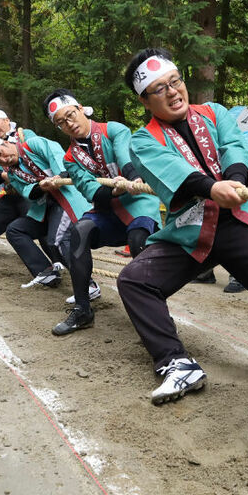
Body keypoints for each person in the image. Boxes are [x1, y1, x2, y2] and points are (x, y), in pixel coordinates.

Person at [115, 48, 248, 418]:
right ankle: (176, 362)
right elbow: (171, 171)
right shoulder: (142, 139)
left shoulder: (214, 113)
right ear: (144, 100)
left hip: (239, 219)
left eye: (175, 81)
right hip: (190, 228)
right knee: (134, 280)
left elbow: (234, 147)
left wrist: (234, 180)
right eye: (159, 88)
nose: (172, 91)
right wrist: (212, 188)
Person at [44, 89, 161, 335]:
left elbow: (124, 155)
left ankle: (155, 315)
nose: (69, 123)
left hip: (137, 199)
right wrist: (115, 192)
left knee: (138, 239)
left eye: (70, 115)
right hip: (109, 206)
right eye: (61, 122)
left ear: (81, 108)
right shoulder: (70, 158)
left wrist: (132, 178)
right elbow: (91, 192)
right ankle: (83, 308)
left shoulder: (113, 130)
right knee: (79, 231)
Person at [0, 131, 92, 297]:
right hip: (44, 205)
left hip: (66, 196)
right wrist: (41, 187)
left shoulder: (33, 144)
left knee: (56, 240)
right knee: (15, 230)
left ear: (6, 144)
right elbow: (26, 192)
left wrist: (60, 175)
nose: (4, 160)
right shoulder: (12, 173)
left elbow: (56, 153)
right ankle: (45, 271)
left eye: (1, 153)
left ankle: (88, 285)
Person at [0, 109, 62, 285]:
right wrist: (12, 174)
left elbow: (40, 157)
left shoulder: (26, 135)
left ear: (7, 120)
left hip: (36, 192)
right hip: (13, 192)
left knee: (39, 221)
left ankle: (58, 260)